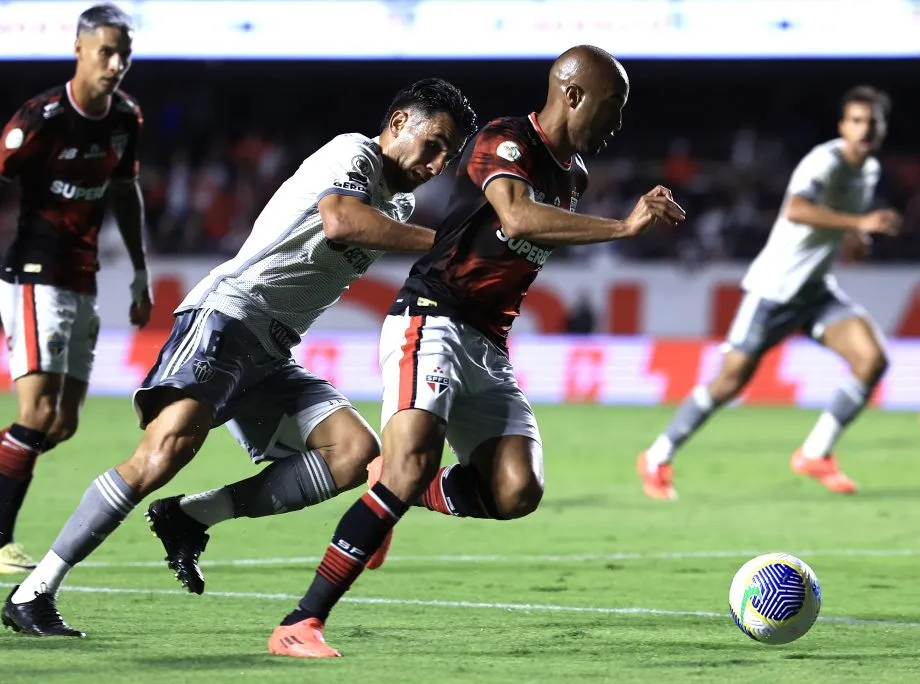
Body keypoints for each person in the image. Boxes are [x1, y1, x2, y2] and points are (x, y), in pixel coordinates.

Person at [0, 78, 477, 637]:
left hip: (273, 348)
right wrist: (447, 240)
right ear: (398, 124)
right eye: (433, 145)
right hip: (228, 317)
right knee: (163, 452)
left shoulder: (400, 204)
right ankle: (33, 592)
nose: (437, 164)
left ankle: (189, 516)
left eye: (449, 156)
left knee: (352, 453)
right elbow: (341, 221)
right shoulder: (355, 153)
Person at [266, 45, 686, 658]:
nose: (618, 122)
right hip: (431, 317)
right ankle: (301, 623)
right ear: (573, 96)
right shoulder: (505, 138)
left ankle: (398, 484)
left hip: (489, 342)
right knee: (411, 465)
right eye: (612, 106)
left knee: (517, 490)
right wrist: (622, 228)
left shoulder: (573, 177)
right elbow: (515, 218)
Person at [0, 3, 151, 574]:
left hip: (82, 277)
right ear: (79, 50)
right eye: (106, 52)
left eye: (124, 54)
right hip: (34, 274)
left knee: (60, 424)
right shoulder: (43, 117)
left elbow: (124, 193)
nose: (115, 65)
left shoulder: (126, 118)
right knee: (36, 412)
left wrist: (141, 272)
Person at [637, 85, 900, 500]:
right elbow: (796, 209)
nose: (864, 129)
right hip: (775, 290)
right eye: (856, 121)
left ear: (882, 129)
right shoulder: (824, 161)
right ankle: (657, 456)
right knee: (728, 383)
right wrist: (858, 222)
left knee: (872, 360)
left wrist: (856, 237)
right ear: (842, 126)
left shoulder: (868, 170)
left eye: (872, 122)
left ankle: (815, 453)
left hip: (814, 290)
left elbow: (843, 221)